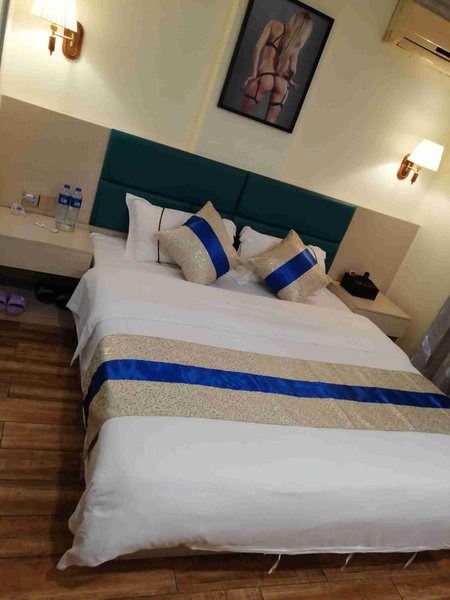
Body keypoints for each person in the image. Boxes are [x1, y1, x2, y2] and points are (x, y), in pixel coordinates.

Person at [241, 11, 313, 123]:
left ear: (294, 18)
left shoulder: (274, 25)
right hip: (282, 83)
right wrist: (290, 79)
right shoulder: (296, 44)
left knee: (240, 114)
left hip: (265, 76)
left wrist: (254, 75)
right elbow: (293, 69)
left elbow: (257, 48)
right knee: (269, 124)